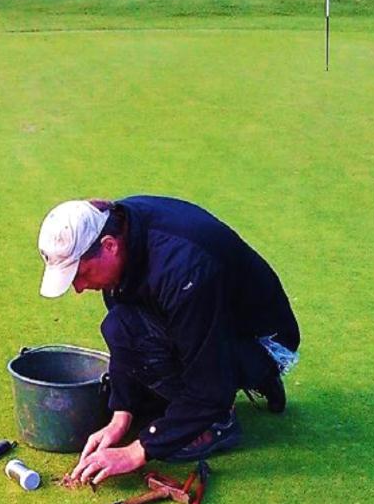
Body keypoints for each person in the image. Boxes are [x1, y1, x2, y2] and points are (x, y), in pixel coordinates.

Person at [37, 196, 300, 485]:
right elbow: (126, 325)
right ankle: (224, 385)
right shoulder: (117, 225)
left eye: (81, 274)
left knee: (196, 384)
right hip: (221, 319)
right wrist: (120, 415)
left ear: (109, 246)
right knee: (121, 324)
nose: (78, 288)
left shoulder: (184, 271)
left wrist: (139, 450)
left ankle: (219, 422)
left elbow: (207, 388)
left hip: (265, 343)